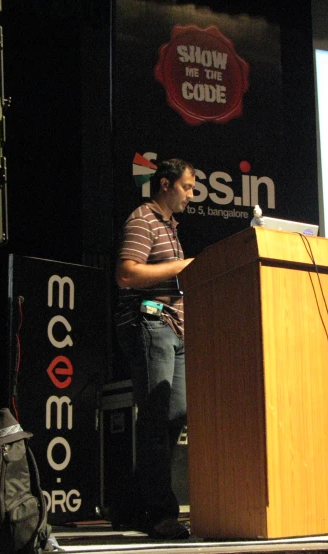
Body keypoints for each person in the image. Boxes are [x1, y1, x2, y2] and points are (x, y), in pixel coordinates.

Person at [114, 158, 195, 539]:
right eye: (187, 187)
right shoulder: (142, 220)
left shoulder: (171, 228)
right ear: (165, 184)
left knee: (173, 415)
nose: (191, 195)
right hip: (149, 324)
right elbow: (127, 273)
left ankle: (129, 504)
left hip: (174, 329)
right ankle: (160, 513)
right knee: (155, 419)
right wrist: (182, 267)